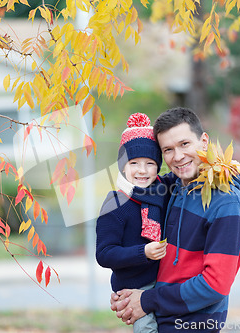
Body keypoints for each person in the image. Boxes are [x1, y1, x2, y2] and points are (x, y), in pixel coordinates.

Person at [111, 107, 240, 332]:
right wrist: (127, 296)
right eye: (168, 149)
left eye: (185, 144)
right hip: (162, 319)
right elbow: (135, 182)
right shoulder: (173, 187)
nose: (177, 156)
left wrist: (146, 300)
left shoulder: (226, 203)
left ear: (204, 141)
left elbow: (215, 285)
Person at [96, 112, 176, 333]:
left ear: (158, 165)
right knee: (147, 329)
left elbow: (188, 170)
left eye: (150, 163)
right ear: (123, 165)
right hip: (133, 285)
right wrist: (144, 252)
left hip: (162, 280)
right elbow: (104, 254)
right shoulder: (115, 203)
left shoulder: (161, 188)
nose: (142, 170)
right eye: (134, 163)